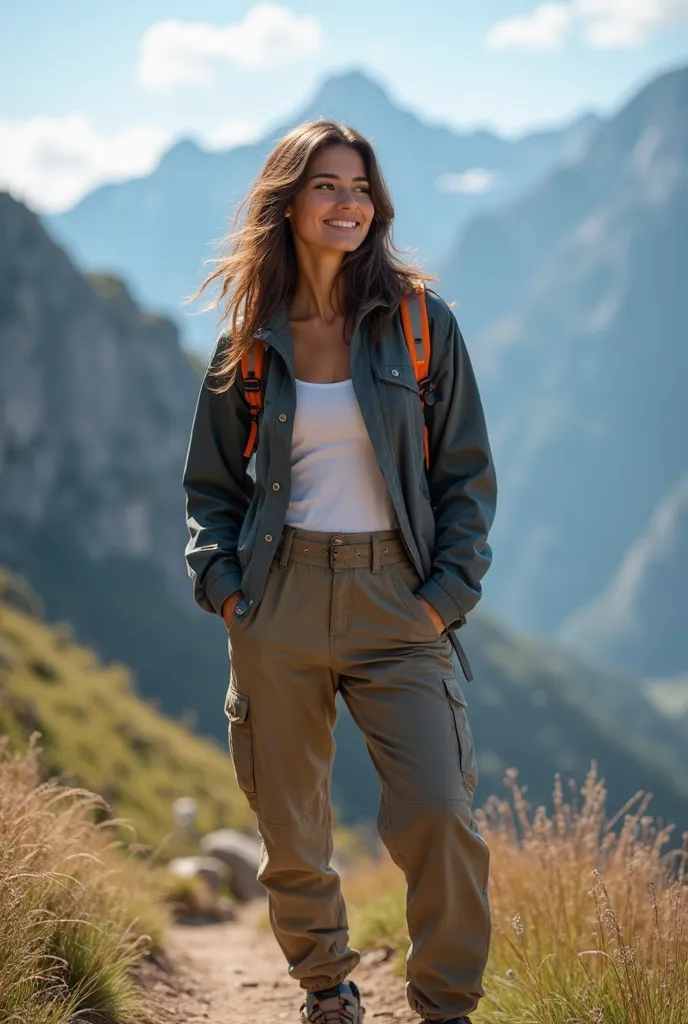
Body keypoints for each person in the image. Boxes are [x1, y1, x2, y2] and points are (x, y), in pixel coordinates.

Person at [182, 119, 498, 1024]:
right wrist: (229, 592)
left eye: (361, 187)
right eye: (327, 185)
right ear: (289, 201)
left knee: (438, 811)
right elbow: (208, 488)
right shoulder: (249, 337)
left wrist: (444, 599)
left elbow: (467, 476)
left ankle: (446, 1005)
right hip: (276, 597)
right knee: (292, 830)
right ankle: (329, 989)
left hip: (398, 601)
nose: (348, 203)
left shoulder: (420, 324)